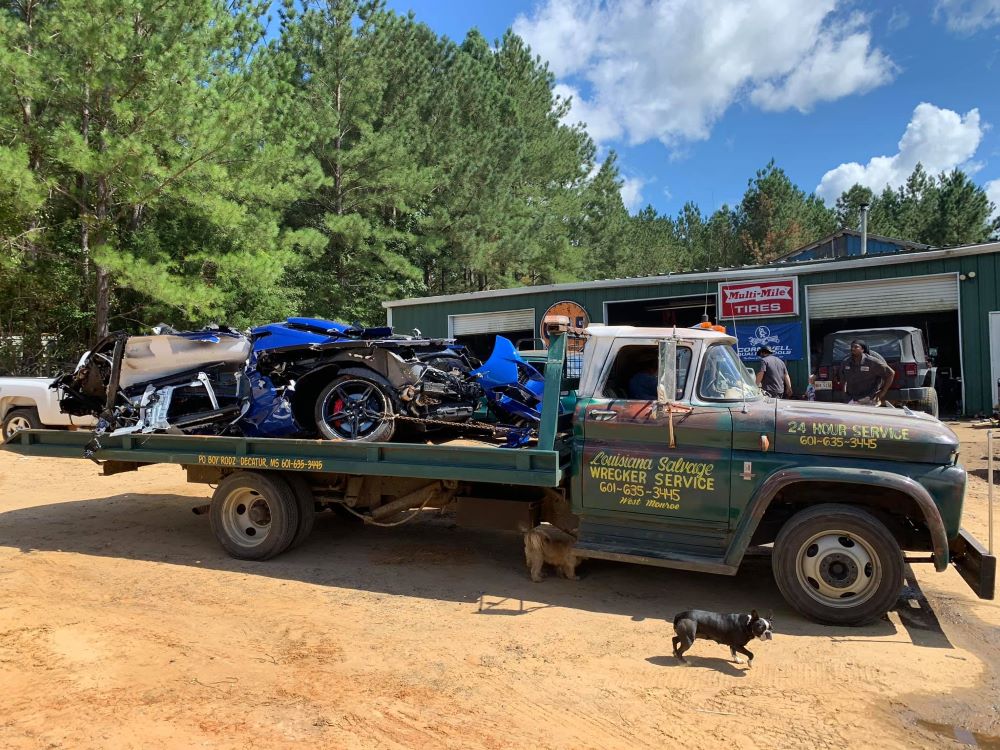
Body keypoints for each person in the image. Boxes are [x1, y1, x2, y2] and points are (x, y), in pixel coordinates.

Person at [841, 339, 895, 406]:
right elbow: (843, 378)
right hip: (851, 399)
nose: (853, 349)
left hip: (869, 399)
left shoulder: (872, 362)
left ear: (862, 350)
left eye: (856, 347)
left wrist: (883, 392)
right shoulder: (846, 362)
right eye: (852, 347)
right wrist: (844, 394)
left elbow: (891, 373)